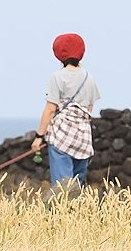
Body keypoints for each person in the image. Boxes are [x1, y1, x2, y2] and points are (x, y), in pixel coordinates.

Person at [30, 33, 101, 189]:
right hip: (83, 137)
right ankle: (75, 212)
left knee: (63, 188)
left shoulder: (57, 77)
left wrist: (39, 137)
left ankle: (62, 212)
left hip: (61, 136)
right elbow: (89, 107)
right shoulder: (89, 77)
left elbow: (50, 109)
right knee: (77, 186)